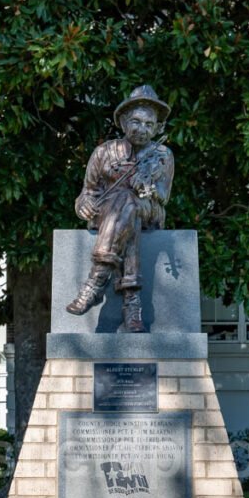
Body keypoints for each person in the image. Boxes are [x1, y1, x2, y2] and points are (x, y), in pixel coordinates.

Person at [66, 85, 174, 333]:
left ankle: (96, 281)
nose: (142, 129)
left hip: (149, 210)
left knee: (130, 202)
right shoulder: (104, 152)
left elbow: (163, 197)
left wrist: (148, 186)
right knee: (127, 206)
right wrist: (83, 204)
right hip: (112, 214)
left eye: (149, 124)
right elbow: (87, 191)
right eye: (136, 122)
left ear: (157, 128)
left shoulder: (163, 155)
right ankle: (132, 305)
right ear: (124, 123)